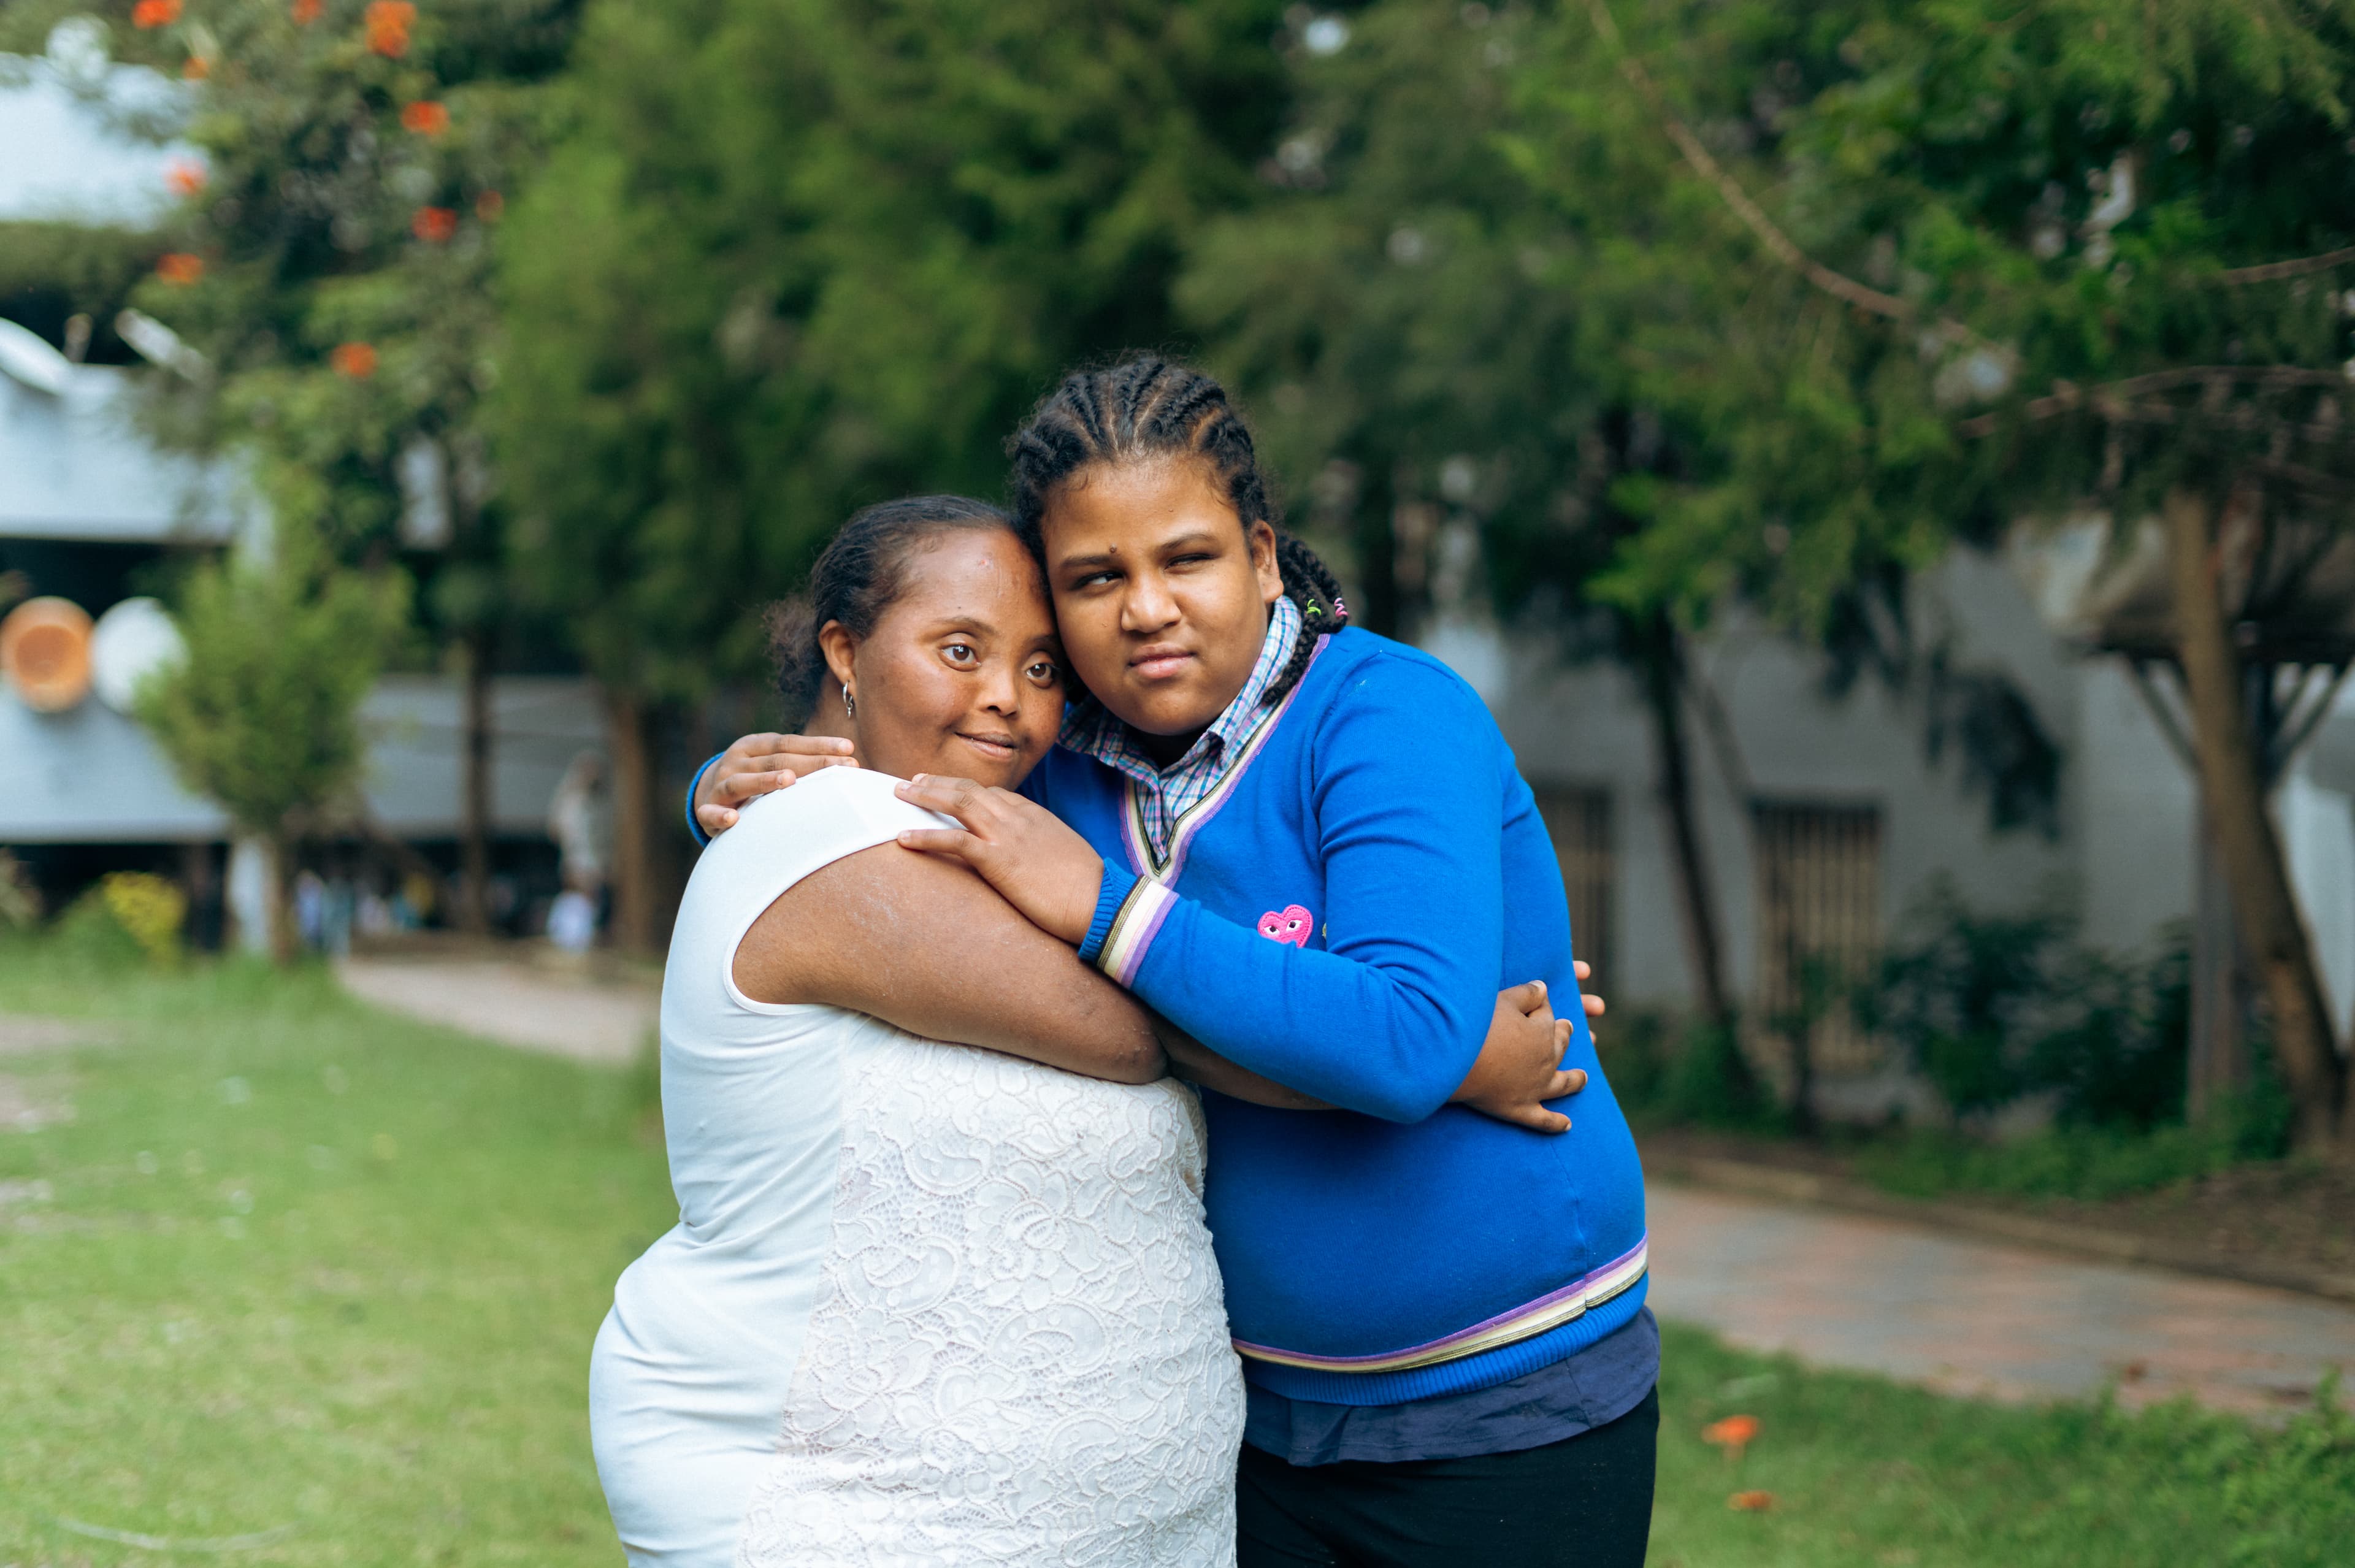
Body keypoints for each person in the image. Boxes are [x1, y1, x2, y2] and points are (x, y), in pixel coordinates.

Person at [694, 357, 1656, 1567]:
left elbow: (1404, 1040)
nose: (1145, 608)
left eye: (1186, 559)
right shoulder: (1057, 758)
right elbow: (881, 810)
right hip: (1254, 1427)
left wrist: (1106, 907)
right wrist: (719, 792)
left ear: (1261, 554)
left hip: (1504, 1411)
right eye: (1095, 578)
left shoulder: (1387, 715)